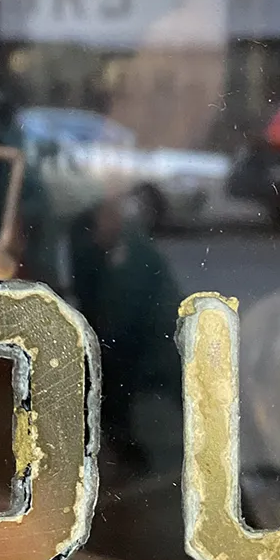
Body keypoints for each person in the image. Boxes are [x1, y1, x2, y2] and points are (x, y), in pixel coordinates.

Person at [67, 192, 183, 474]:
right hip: (139, 343)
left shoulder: (132, 258)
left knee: (120, 387)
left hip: (155, 345)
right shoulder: (103, 252)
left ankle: (129, 450)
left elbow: (120, 321)